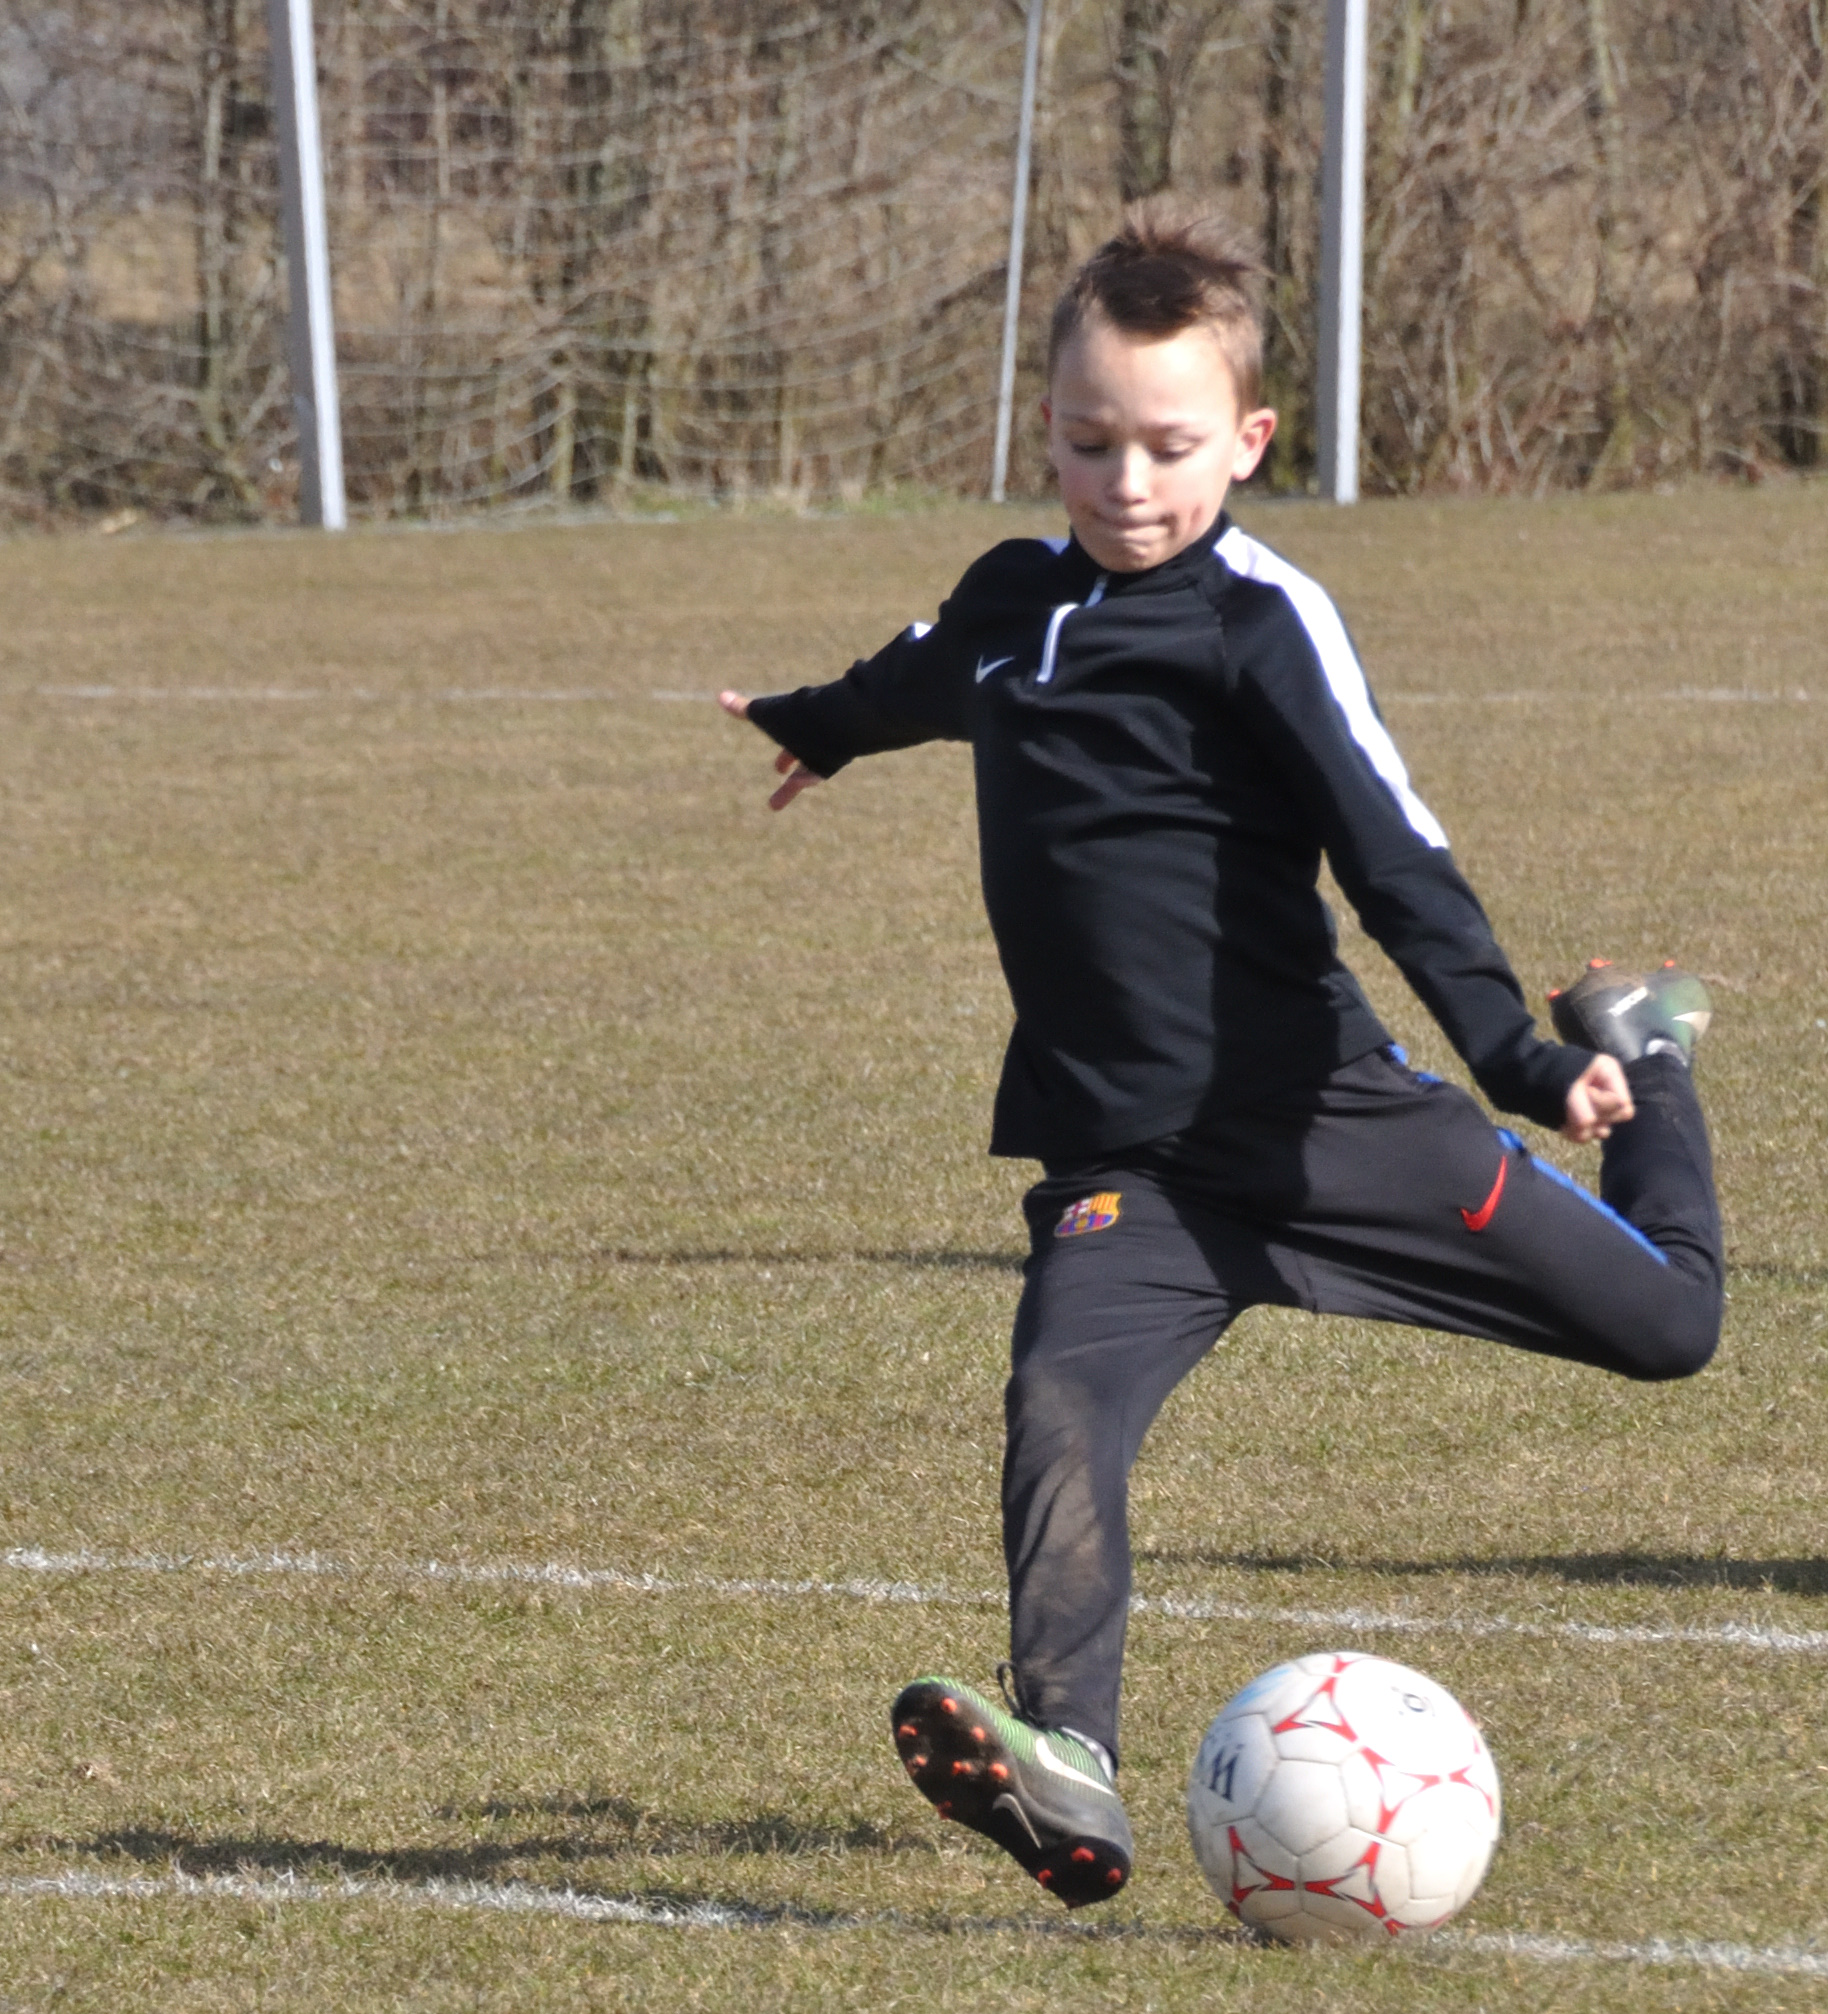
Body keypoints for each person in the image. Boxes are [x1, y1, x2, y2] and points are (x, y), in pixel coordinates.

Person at [717, 201, 1722, 1908]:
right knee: (1060, 1407)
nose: (1125, 481)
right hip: (1132, 1172)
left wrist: (1523, 1061)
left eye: (1169, 447)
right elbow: (913, 676)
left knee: (1671, 1328)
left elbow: (1392, 855)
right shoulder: (1013, 603)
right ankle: (1073, 1771)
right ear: (1045, 430)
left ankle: (1647, 1056)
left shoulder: (1260, 619)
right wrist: (816, 727)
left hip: (1334, 1129)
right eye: (1090, 442)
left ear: (1248, 441)